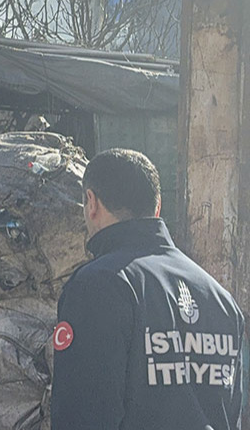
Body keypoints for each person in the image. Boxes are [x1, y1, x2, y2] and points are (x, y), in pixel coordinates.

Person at [50, 149, 244, 430]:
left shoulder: (98, 286)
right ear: (157, 207)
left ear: (91, 202)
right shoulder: (221, 300)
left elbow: (82, 416)